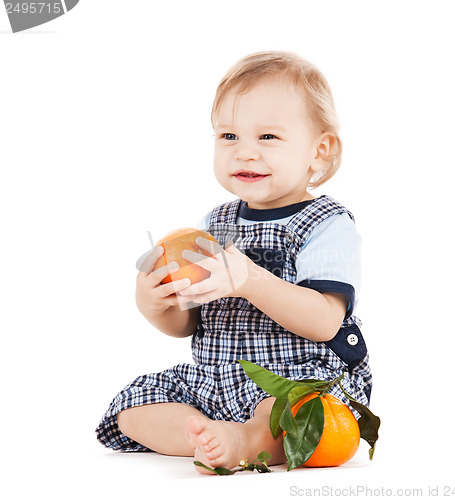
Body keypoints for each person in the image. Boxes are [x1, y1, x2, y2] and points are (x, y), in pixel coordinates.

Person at [95, 50, 372, 474]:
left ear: (319, 150)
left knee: (291, 416)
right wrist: (157, 303)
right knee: (133, 409)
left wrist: (248, 279)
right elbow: (190, 322)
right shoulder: (215, 223)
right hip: (217, 377)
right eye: (228, 137)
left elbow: (325, 322)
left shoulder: (326, 225)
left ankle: (245, 439)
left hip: (290, 379)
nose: (244, 153)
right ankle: (205, 434)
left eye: (268, 138)